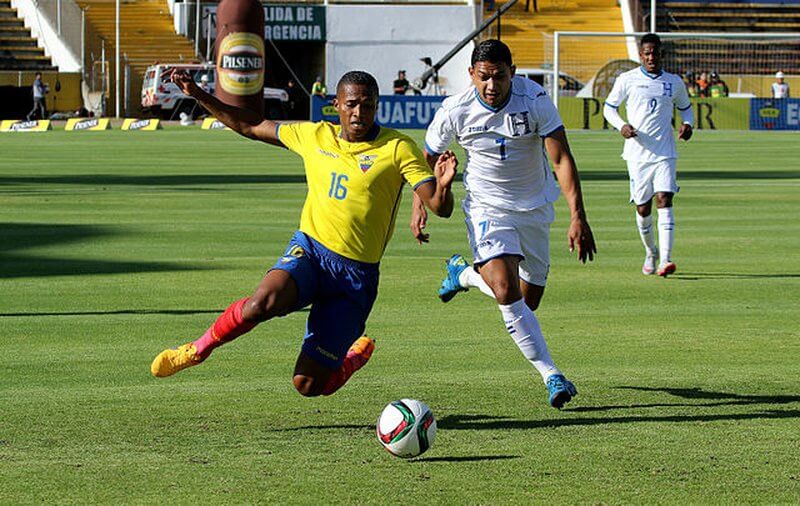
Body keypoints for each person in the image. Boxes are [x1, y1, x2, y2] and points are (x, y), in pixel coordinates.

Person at [151, 70, 458, 399]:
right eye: (351, 104)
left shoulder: (398, 148)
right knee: (260, 303)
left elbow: (440, 207)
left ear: (377, 106)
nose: (359, 113)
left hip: (355, 278)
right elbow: (250, 125)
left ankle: (350, 361)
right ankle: (197, 349)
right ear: (336, 104)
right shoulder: (315, 135)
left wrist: (444, 184)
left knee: (308, 385)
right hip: (311, 252)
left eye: (367, 105)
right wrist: (199, 94)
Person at [411, 39, 596, 409]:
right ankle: (552, 375)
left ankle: (462, 275)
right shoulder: (455, 110)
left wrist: (578, 215)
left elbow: (560, 159)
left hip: (534, 209)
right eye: (483, 78)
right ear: (471, 76)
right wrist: (420, 200)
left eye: (499, 77)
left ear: (513, 73)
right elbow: (426, 157)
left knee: (528, 302)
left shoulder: (535, 99)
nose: (492, 86)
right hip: (486, 207)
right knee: (506, 292)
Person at [603, 33, 693, 278]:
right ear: (641, 56)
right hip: (637, 155)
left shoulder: (674, 82)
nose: (651, 56)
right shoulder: (627, 79)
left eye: (655, 52)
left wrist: (688, 124)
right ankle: (650, 252)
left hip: (665, 153)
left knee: (664, 198)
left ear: (661, 53)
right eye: (647, 53)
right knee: (643, 208)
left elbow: (686, 108)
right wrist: (621, 125)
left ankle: (666, 259)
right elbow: (609, 107)